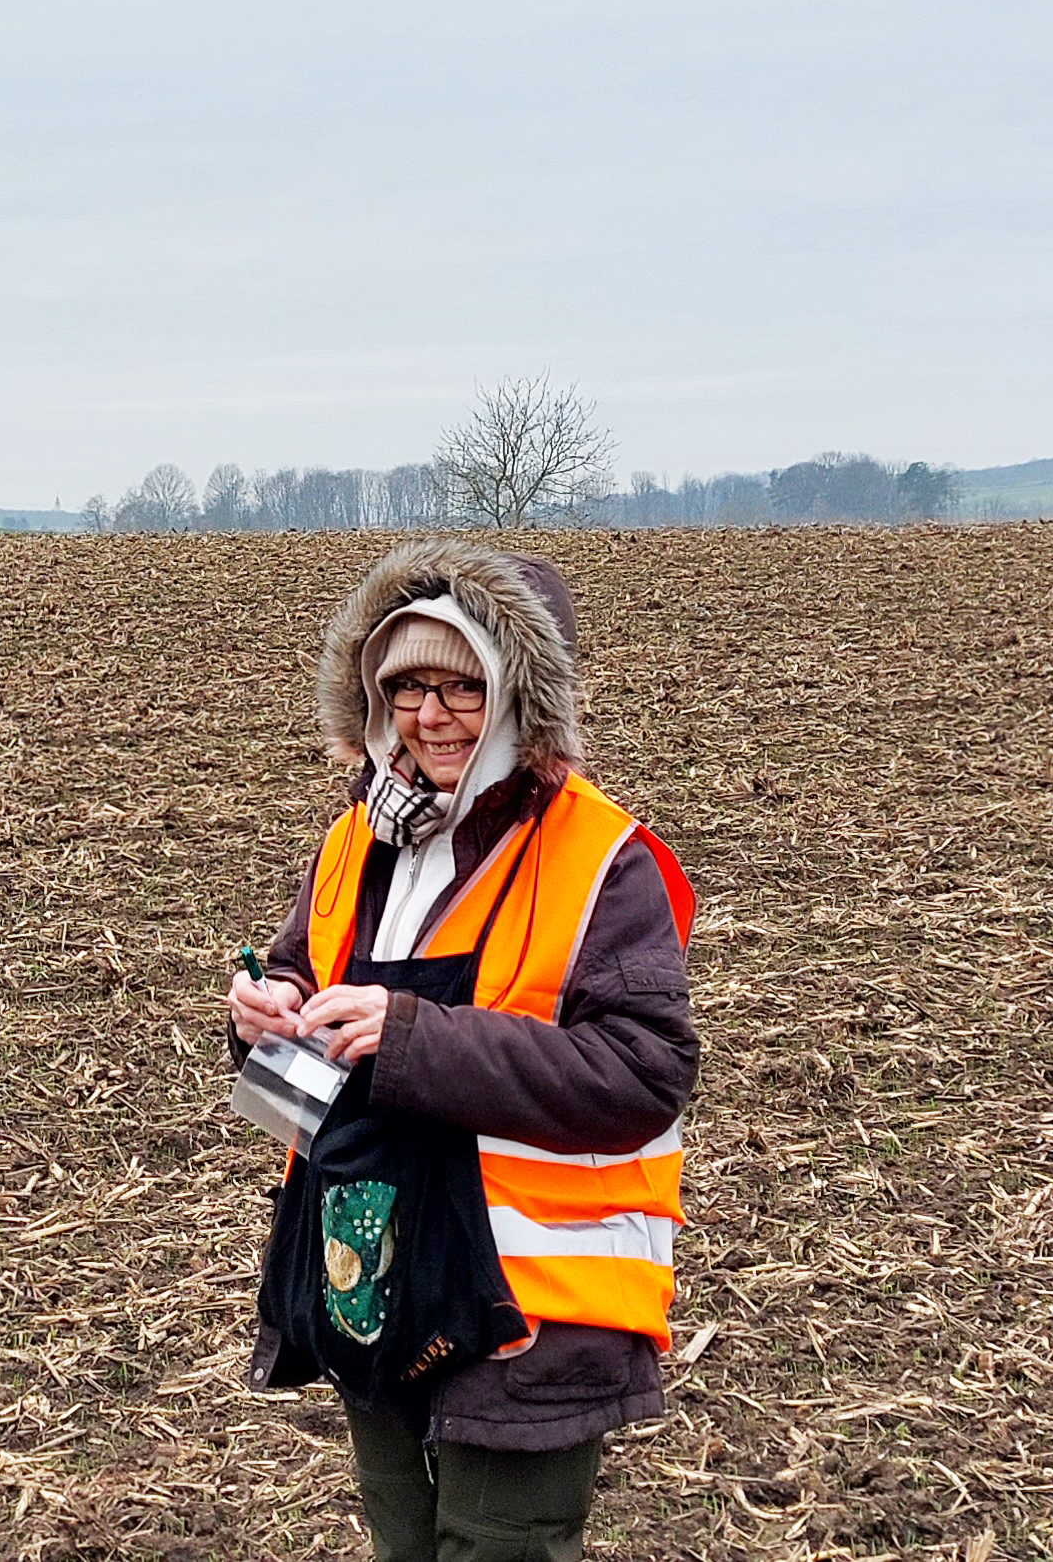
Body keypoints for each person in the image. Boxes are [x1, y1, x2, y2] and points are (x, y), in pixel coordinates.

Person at [222, 542, 697, 1562]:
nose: (426, 716)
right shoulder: (358, 836)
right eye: (405, 687)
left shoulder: (601, 858)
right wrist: (268, 1012)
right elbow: (302, 974)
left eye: (460, 688)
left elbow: (645, 1073)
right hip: (371, 1256)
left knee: (498, 1546)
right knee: (403, 1542)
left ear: (524, 696)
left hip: (528, 1297)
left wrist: (412, 1035)